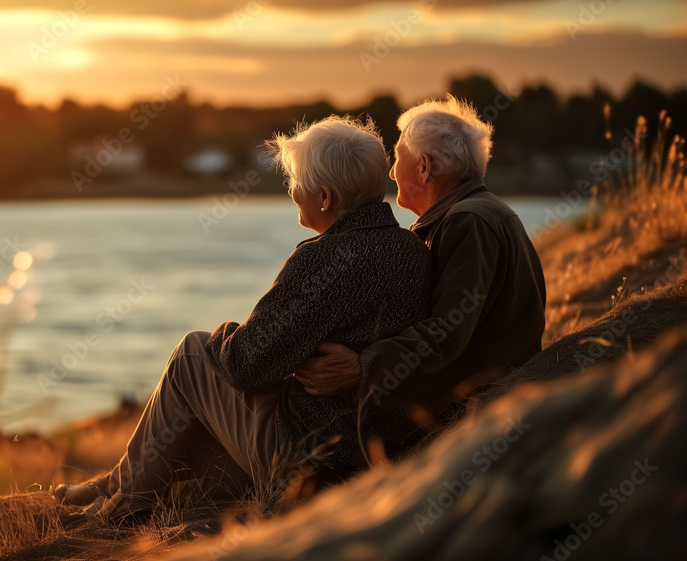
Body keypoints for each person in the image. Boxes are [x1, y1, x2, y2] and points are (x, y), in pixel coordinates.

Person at [54, 115, 432, 522]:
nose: (292, 191)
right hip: (379, 450)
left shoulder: (325, 258)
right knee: (204, 442)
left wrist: (226, 335)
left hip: (315, 456)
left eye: (295, 182)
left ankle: (121, 509)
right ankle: (117, 486)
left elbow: (245, 366)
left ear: (324, 196)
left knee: (193, 354)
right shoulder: (413, 250)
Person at [293, 95, 547, 444]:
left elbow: (447, 331)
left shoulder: (468, 222)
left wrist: (363, 366)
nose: (392, 172)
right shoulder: (471, 214)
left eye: (398, 158)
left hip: (474, 405)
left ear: (425, 167)